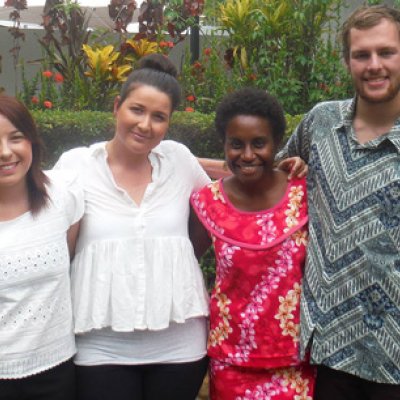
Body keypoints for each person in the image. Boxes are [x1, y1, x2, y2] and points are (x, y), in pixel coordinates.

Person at [54, 54, 211, 400]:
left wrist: (281, 168)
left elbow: (216, 207)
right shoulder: (76, 166)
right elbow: (58, 247)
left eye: (159, 117)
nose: (145, 125)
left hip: (179, 345)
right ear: (117, 107)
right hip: (100, 346)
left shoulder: (179, 161)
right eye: (137, 110)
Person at [276, 5, 400, 399]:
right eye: (362, 54)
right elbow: (271, 178)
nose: (374, 65)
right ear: (347, 61)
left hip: (393, 354)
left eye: (387, 52)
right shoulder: (320, 123)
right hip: (328, 349)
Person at [190, 87, 316, 400]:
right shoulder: (208, 202)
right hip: (231, 361)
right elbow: (184, 264)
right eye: (236, 144)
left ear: (276, 143)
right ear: (224, 144)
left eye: (258, 143)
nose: (247, 155)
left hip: (296, 360)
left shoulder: (304, 193)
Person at [0, 95, 84, 400]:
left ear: (32, 142)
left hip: (57, 370)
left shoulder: (62, 194)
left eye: (16, 138)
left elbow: (69, 255)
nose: (5, 152)